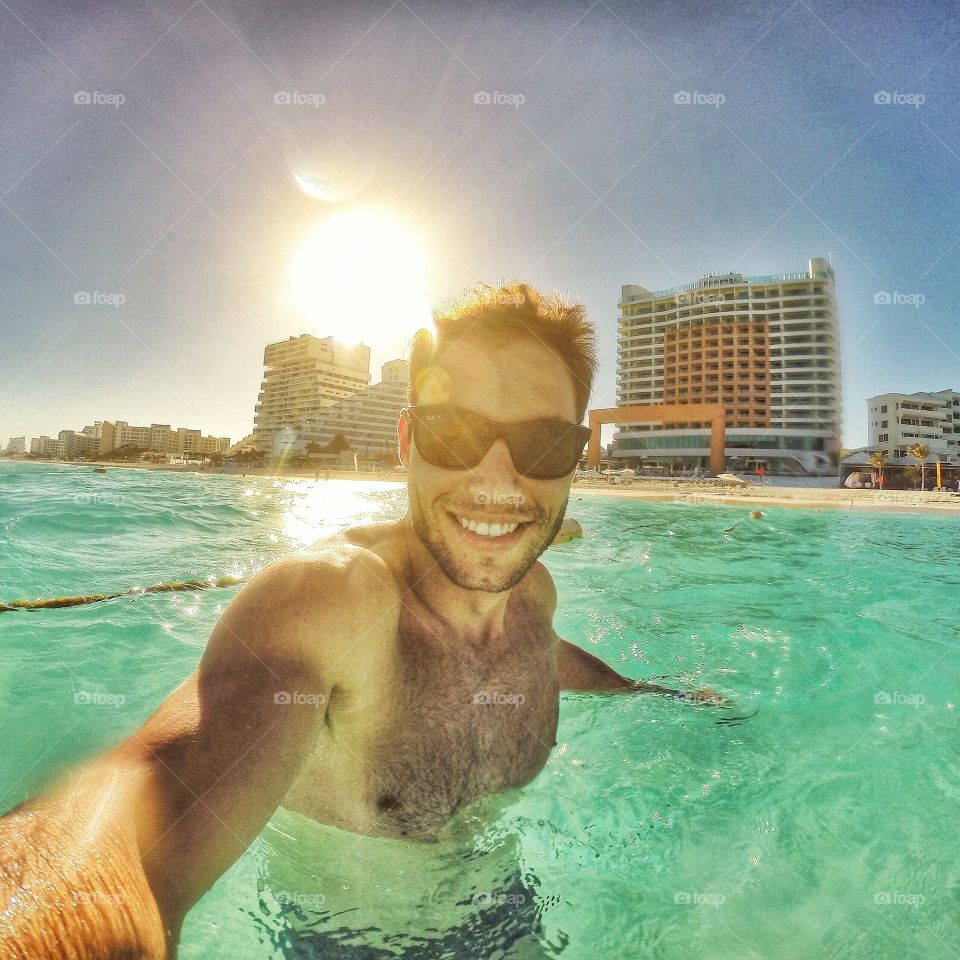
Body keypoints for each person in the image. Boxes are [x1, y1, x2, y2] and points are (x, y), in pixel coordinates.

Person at [0, 283, 727, 959]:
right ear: (407, 442)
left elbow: (545, 655)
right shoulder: (328, 602)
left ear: (576, 458)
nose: (497, 480)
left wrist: (648, 692)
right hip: (348, 939)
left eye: (542, 443)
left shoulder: (533, 594)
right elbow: (142, 804)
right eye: (455, 432)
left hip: (507, 909)